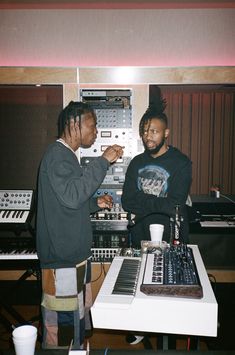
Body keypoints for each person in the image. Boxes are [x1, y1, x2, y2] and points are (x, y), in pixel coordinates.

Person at [36, 101, 123, 350]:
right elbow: (72, 196)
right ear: (74, 124)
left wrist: (95, 203)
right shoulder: (57, 155)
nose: (95, 131)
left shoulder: (67, 157)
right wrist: (103, 160)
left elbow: (68, 203)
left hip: (75, 257)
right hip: (62, 261)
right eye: (92, 126)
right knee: (63, 334)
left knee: (77, 324)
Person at [121, 102, 192, 347]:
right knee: (141, 286)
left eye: (154, 131)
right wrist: (156, 203)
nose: (148, 136)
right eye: (145, 131)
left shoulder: (181, 162)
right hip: (140, 235)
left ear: (166, 133)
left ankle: (169, 333)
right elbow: (127, 200)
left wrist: (144, 204)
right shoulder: (136, 162)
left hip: (171, 235)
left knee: (168, 290)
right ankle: (142, 326)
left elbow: (175, 203)